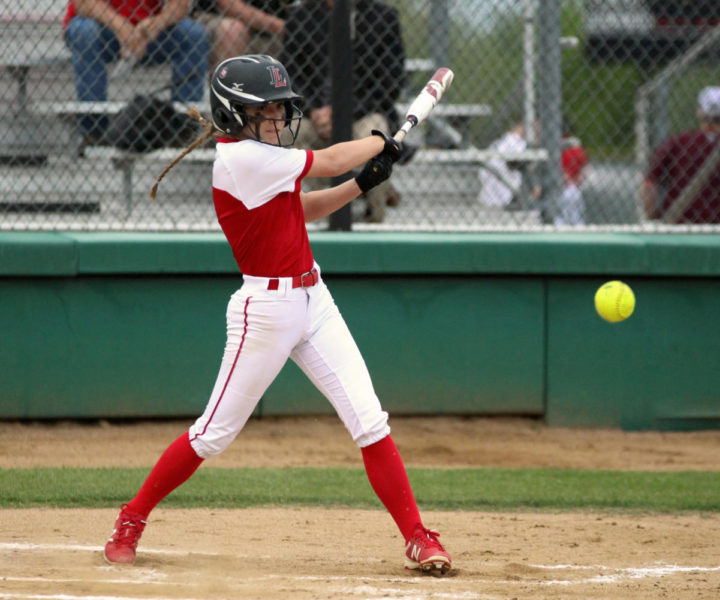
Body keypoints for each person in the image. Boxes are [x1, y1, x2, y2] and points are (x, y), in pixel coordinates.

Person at [104, 55, 452, 576]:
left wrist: (365, 183)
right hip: (263, 311)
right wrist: (383, 142)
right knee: (212, 434)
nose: (277, 119)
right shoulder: (240, 159)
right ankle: (130, 520)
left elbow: (303, 208)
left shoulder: (267, 159)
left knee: (369, 420)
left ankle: (418, 537)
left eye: (279, 109)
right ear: (234, 113)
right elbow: (333, 159)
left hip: (315, 300)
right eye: (265, 110)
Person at [281, 0, 407, 223]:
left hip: (361, 112)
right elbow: (290, 75)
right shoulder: (301, 16)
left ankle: (375, 216)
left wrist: (344, 113)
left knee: (377, 133)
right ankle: (321, 208)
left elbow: (390, 83)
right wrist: (313, 111)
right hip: (313, 113)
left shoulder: (383, 16)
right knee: (288, 132)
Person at [63, 0, 209, 145]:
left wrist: (156, 25)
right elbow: (82, 3)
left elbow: (180, 5)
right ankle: (93, 128)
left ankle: (184, 127)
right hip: (103, 28)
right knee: (85, 30)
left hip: (148, 32)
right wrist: (120, 26)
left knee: (193, 33)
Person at [640, 86, 720, 224]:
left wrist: (653, 217)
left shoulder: (678, 143)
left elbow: (649, 185)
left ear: (698, 113)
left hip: (678, 225)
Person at [192, 0, 287, 68]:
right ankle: (229, 90)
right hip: (217, 17)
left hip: (274, 30)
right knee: (231, 29)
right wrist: (284, 27)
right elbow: (230, 6)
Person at [555, 125, 589, 226]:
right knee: (577, 219)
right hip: (575, 188)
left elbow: (561, 172)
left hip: (561, 189)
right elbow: (585, 171)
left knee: (560, 220)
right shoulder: (579, 149)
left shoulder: (559, 149)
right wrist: (577, 181)